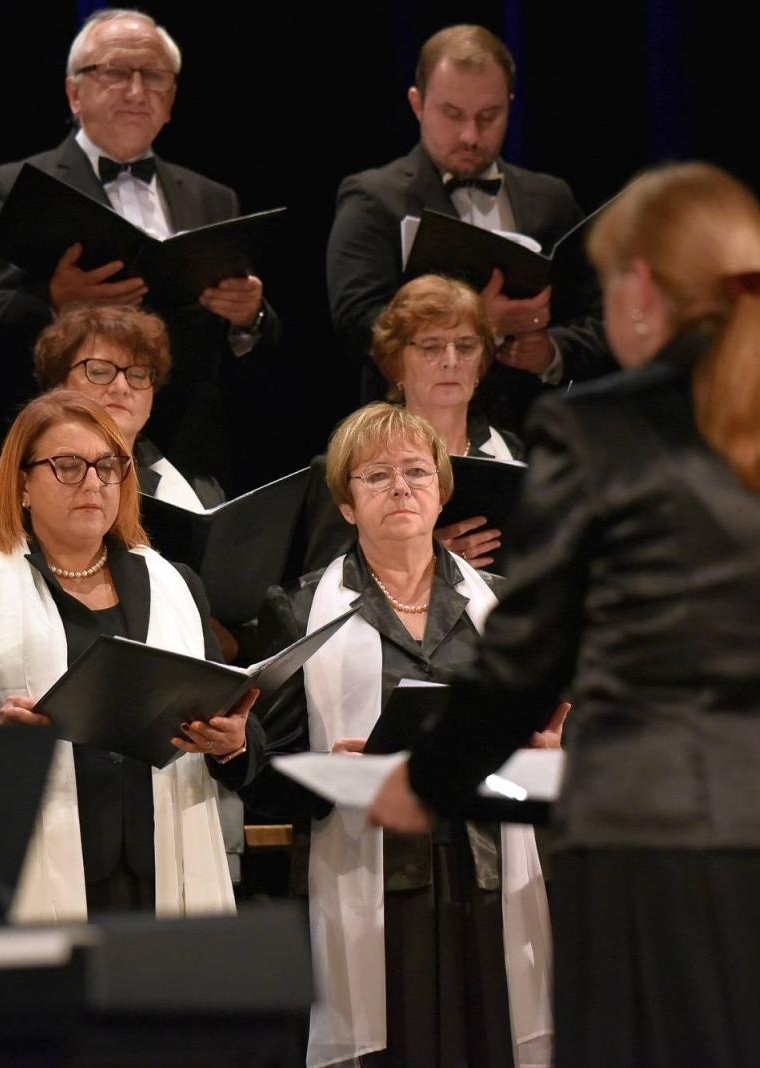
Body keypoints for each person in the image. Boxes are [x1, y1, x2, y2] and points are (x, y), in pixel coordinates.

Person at [368, 162, 760, 1066]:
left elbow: (530, 655)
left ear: (643, 285)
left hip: (659, 858)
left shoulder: (598, 431)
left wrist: (429, 780)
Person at [240, 403, 557, 1067]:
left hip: (490, 870)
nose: (401, 487)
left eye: (417, 471)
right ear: (347, 505)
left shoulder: (502, 605)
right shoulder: (299, 609)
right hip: (380, 880)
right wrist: (328, 769)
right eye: (376, 476)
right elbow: (272, 777)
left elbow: (547, 743)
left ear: (442, 491)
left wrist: (548, 757)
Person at [0, 390, 259, 920]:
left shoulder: (177, 586)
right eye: (68, 466)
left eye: (107, 466)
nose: (93, 482)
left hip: (167, 873)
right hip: (34, 872)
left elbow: (235, 726)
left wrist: (233, 742)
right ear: (22, 484)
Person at [0, 7, 280, 488]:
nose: (136, 90)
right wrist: (55, 304)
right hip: (57, 456)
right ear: (73, 92)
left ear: (171, 100)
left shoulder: (214, 197)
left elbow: (256, 355)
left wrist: (249, 316)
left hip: (187, 455)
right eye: (115, 72)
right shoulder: (14, 186)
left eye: (153, 76)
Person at [326, 24, 612, 426]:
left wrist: (551, 352)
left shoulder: (551, 198)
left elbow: (603, 316)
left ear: (510, 104)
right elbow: (359, 324)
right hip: (412, 444)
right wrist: (479, 323)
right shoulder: (374, 199)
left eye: (489, 116)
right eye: (452, 114)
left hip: (533, 438)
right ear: (417, 104)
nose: (470, 135)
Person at [0, 303, 222, 564]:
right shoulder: (9, 478)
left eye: (138, 375)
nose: (121, 386)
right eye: (100, 371)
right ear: (58, 385)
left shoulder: (200, 491)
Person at [303, 275, 520, 573]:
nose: (451, 361)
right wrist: (422, 558)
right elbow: (318, 586)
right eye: (431, 347)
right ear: (396, 363)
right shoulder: (350, 464)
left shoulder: (515, 452)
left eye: (467, 346)